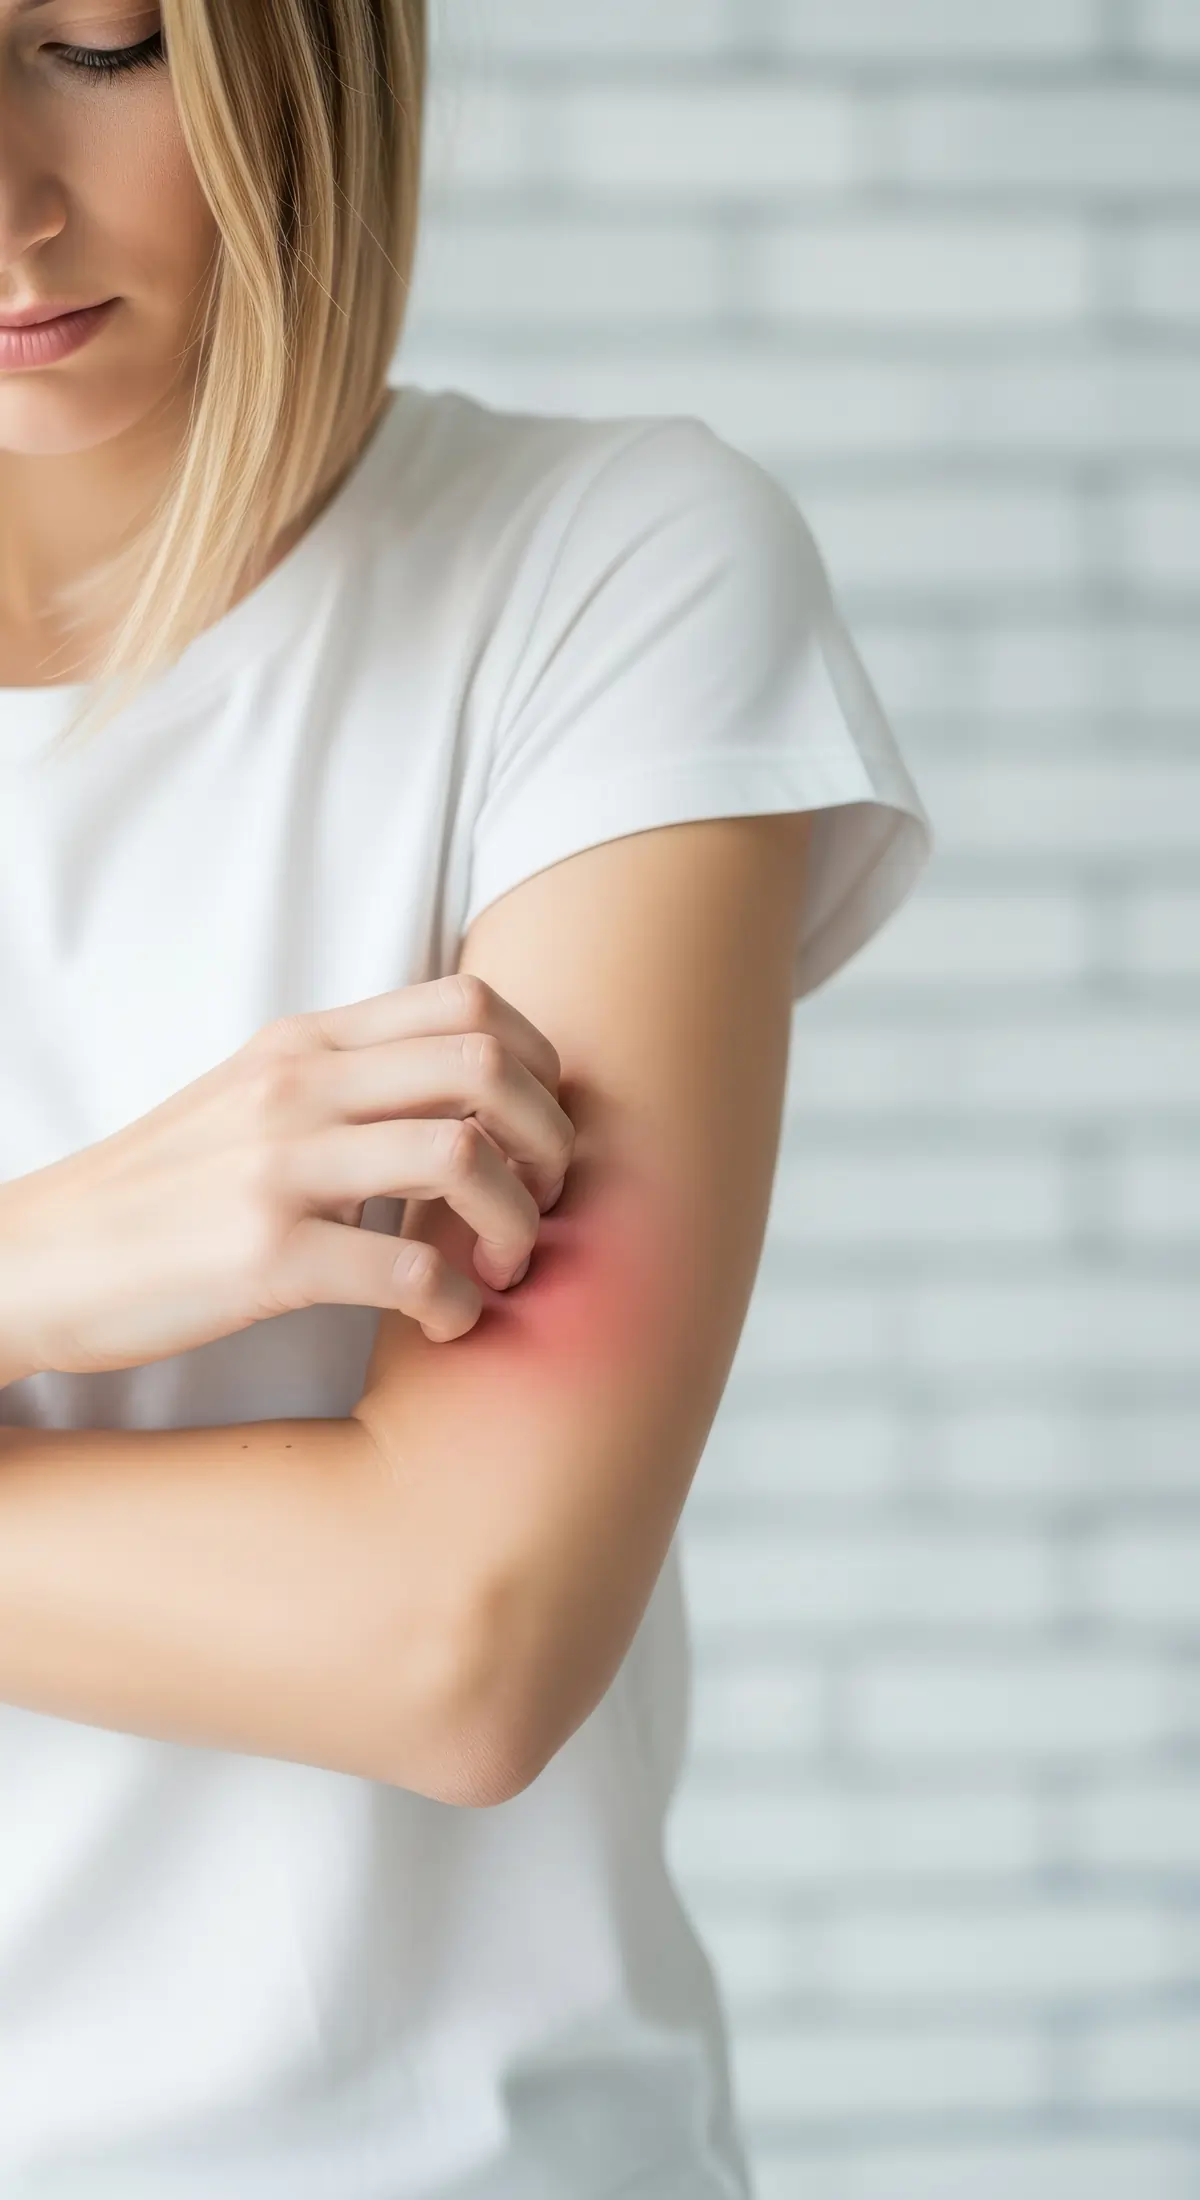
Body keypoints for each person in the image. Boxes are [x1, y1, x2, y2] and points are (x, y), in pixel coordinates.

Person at [0, 4, 934, 2196]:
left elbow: (457, 1637)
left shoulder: (605, 575)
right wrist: (45, 1255)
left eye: (103, 45)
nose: (11, 202)